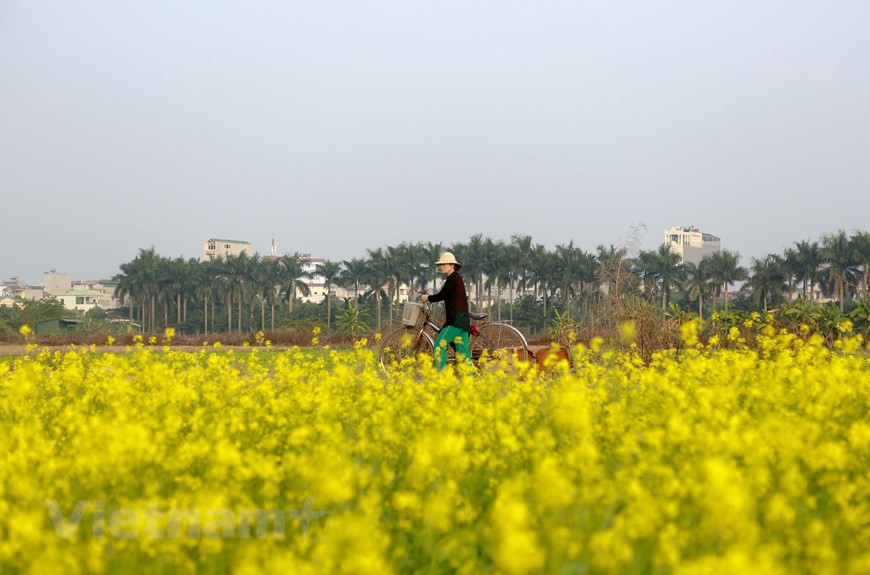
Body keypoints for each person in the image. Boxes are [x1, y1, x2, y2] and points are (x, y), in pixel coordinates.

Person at [421, 252, 471, 370]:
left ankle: (441, 378)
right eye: (440, 265)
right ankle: (470, 379)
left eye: (444, 264)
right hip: (463, 321)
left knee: (439, 346)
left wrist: (428, 298)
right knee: (462, 352)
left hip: (455, 321)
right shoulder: (456, 278)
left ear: (452, 265)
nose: (441, 266)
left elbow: (442, 295)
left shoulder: (453, 278)